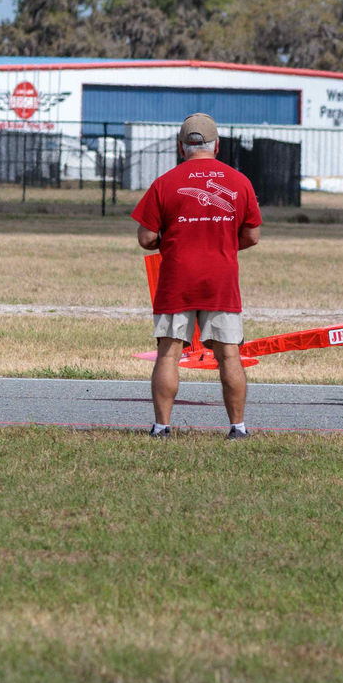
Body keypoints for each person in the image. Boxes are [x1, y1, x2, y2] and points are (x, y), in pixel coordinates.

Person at [132, 113, 262, 439]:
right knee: (229, 353)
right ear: (217, 146)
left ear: (181, 147)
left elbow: (146, 238)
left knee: (169, 352)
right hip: (221, 278)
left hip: (177, 277)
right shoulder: (239, 181)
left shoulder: (164, 182)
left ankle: (162, 427)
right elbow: (252, 235)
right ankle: (238, 427)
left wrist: (174, 242)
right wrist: (223, 244)